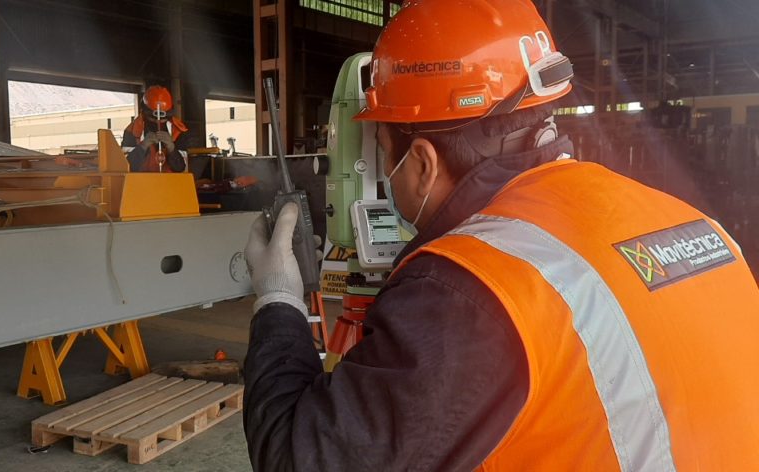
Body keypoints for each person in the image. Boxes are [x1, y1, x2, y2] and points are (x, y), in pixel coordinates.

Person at [242, 1, 759, 471]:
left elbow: (299, 458)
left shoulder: (467, 288)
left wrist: (278, 298)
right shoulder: (691, 221)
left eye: (383, 150)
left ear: (421, 162)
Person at [122, 85, 190, 172]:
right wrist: (143, 146)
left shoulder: (178, 131)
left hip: (171, 180)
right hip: (141, 180)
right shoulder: (132, 131)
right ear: (145, 112)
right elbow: (126, 168)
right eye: (154, 118)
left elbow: (182, 169)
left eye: (163, 119)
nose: (158, 121)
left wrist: (171, 148)